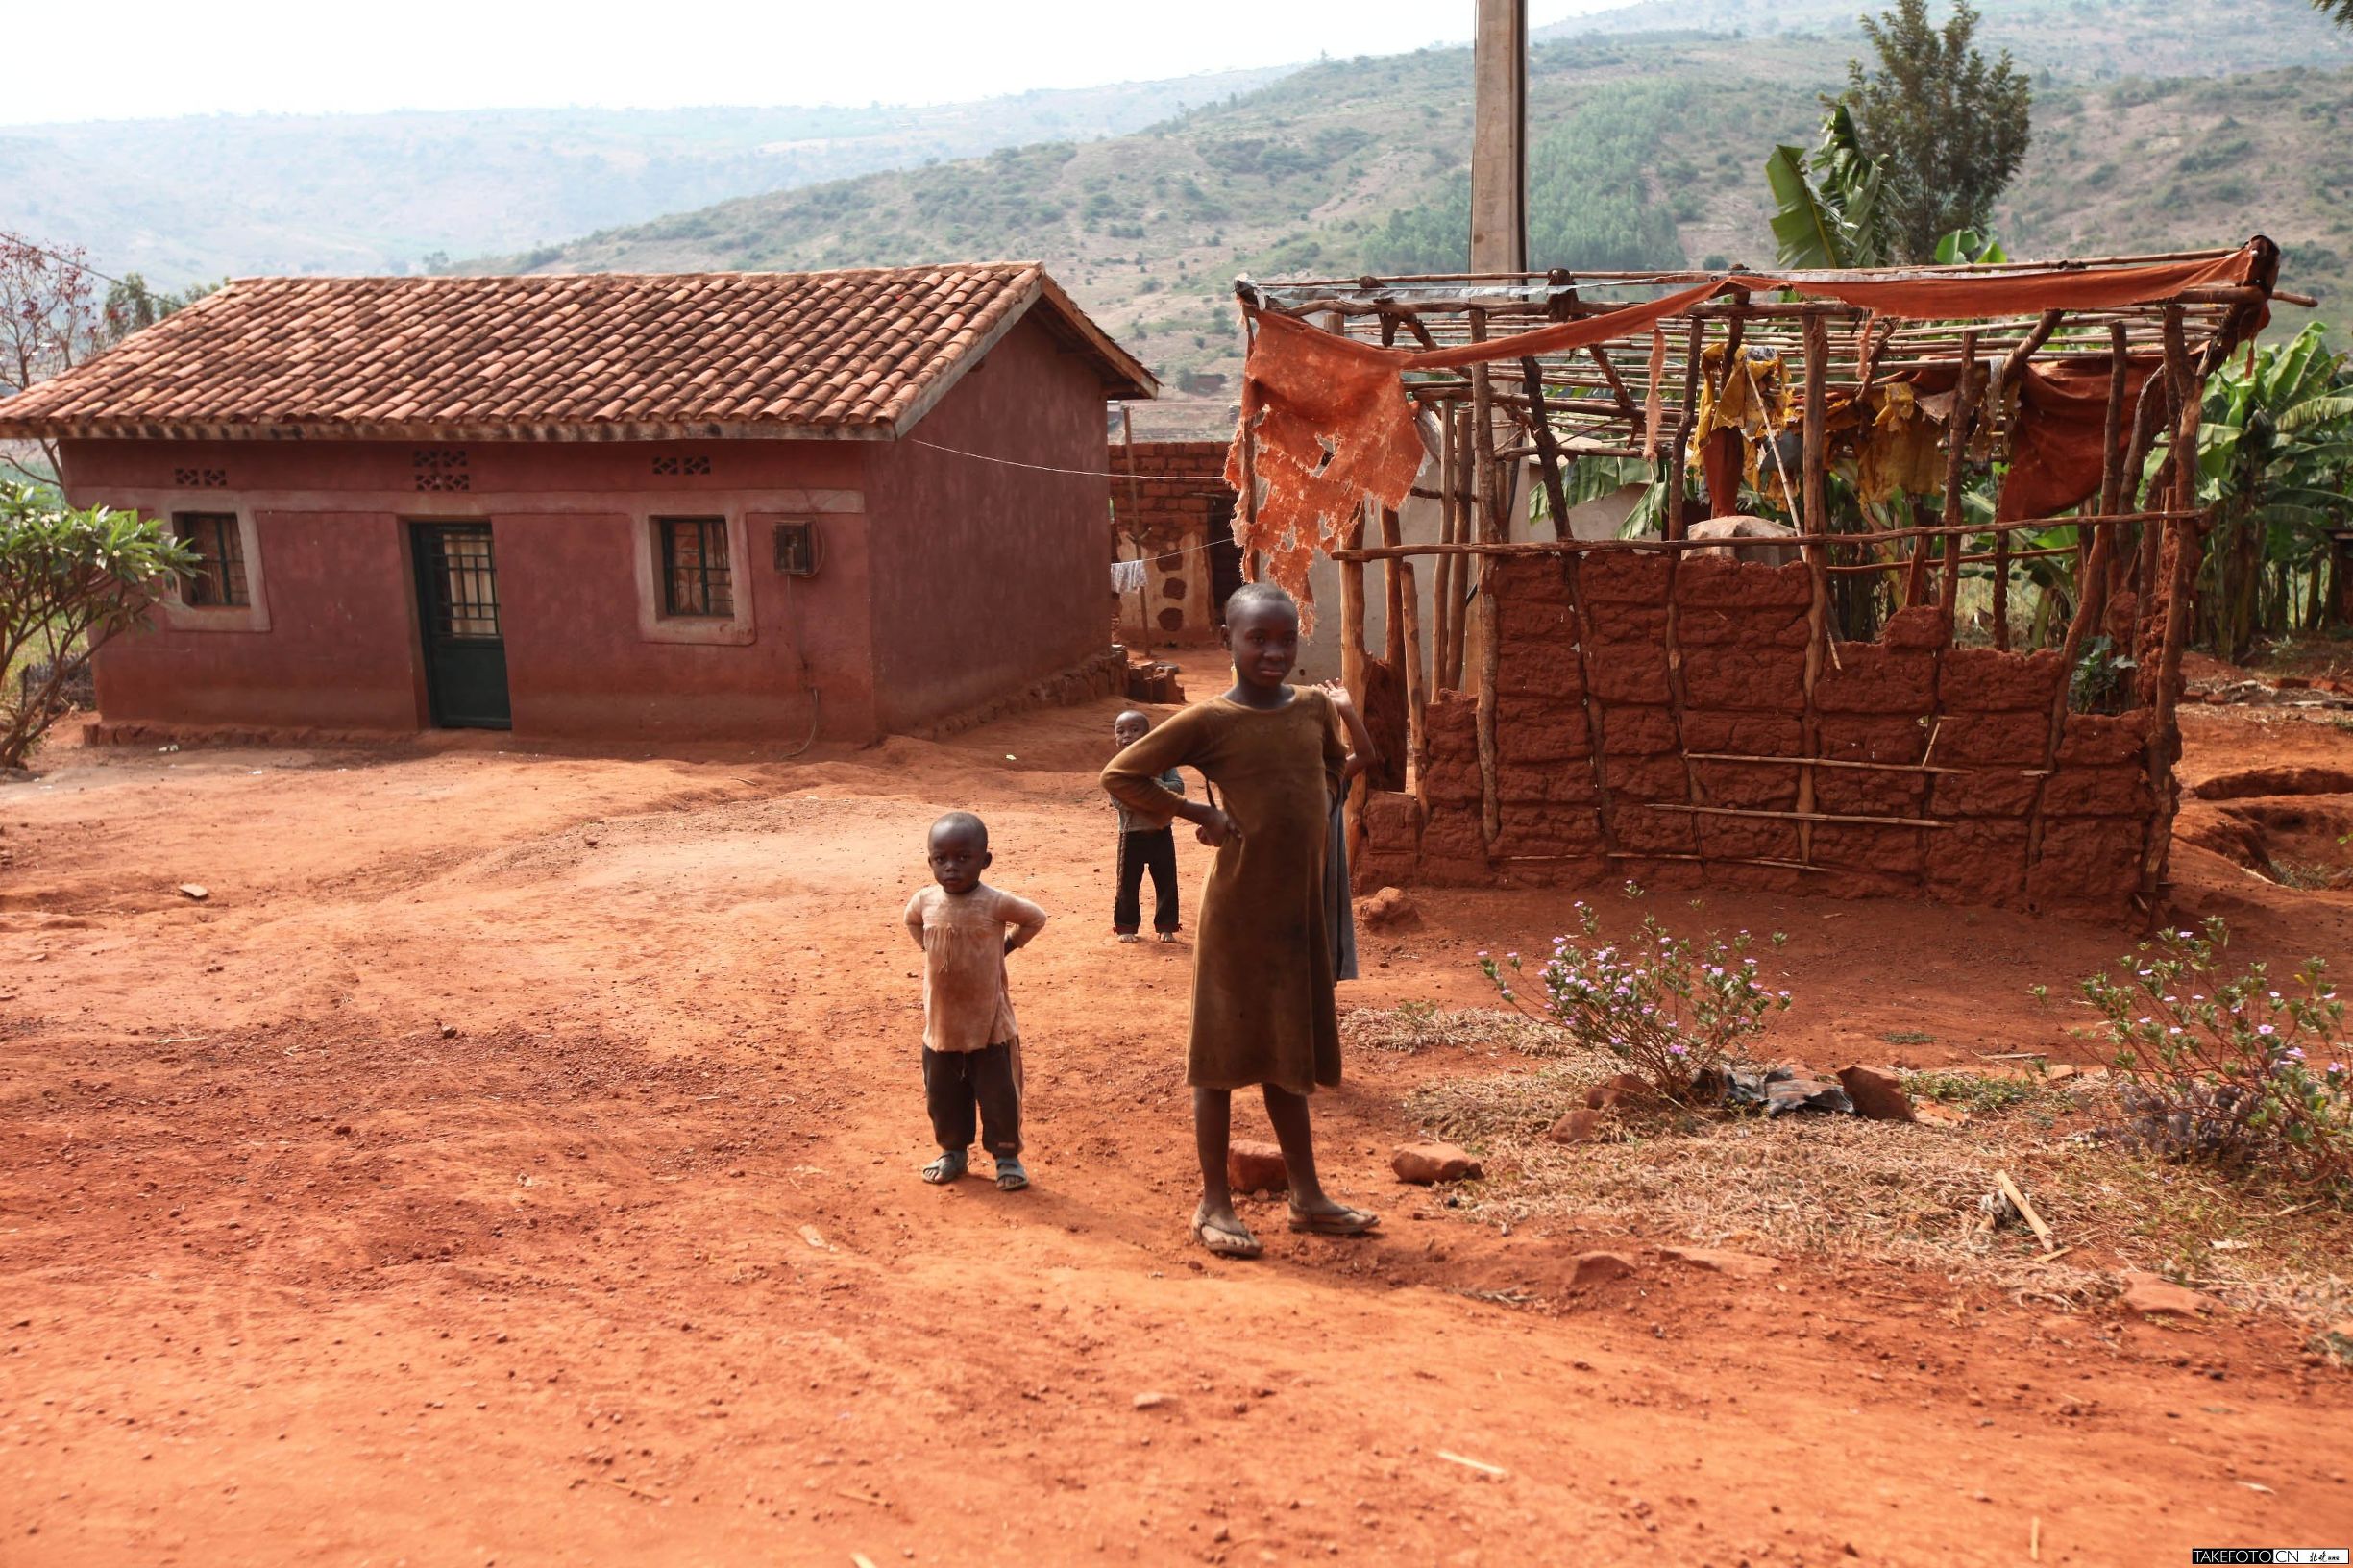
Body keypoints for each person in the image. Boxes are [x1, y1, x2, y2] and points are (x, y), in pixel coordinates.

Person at [1101, 583, 1380, 1259]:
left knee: (1288, 1058)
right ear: (1227, 639)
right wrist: (1201, 816)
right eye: (1258, 638)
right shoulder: (1210, 721)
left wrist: (1352, 725)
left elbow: (1330, 779)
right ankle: (1213, 1203)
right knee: (1219, 1061)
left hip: (1296, 915)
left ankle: (1307, 1197)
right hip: (1235, 915)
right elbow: (1121, 773)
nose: (1274, 652)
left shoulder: (1312, 708)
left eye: (1285, 639)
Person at [901, 811, 1048, 1191]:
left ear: (984, 860)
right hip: (943, 1024)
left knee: (999, 1093)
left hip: (990, 1025)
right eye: (941, 859)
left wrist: (1008, 946)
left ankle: (1006, 1157)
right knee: (944, 1095)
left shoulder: (994, 902)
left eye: (963, 858)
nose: (951, 867)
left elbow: (1035, 917)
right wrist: (928, 948)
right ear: (930, 861)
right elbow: (912, 921)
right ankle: (953, 1152)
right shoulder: (925, 900)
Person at [1111, 710, 1185, 943]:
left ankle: (1166, 925)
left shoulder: (1163, 762)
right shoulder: (1118, 766)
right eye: (1120, 731)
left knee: (1166, 881)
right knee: (1127, 883)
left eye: (1134, 730)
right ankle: (1126, 926)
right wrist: (1153, 796)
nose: (1127, 736)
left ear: (1148, 734)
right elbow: (1117, 801)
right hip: (1130, 835)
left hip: (1161, 832)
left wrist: (1150, 785)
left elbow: (1178, 788)